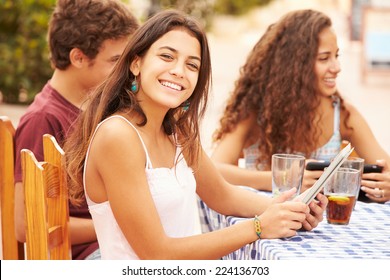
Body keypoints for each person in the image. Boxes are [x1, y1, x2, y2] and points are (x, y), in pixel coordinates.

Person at [63, 9, 327, 260]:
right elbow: (156, 254)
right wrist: (257, 228)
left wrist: (288, 209)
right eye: (167, 57)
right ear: (136, 63)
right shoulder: (118, 136)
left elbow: (224, 196)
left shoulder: (177, 130)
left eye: (192, 65)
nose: (179, 71)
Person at [211, 9, 390, 203]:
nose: (337, 67)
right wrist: (283, 179)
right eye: (324, 58)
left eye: (336, 56)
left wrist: (387, 185)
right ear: (294, 66)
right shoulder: (256, 112)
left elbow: (386, 168)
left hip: (324, 230)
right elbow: (215, 169)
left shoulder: (343, 114)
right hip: (263, 224)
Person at [14, 0, 139, 260]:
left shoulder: (99, 106)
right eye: (116, 61)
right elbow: (26, 226)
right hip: (88, 255)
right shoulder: (42, 119)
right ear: (78, 57)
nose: (126, 72)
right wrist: (120, 227)